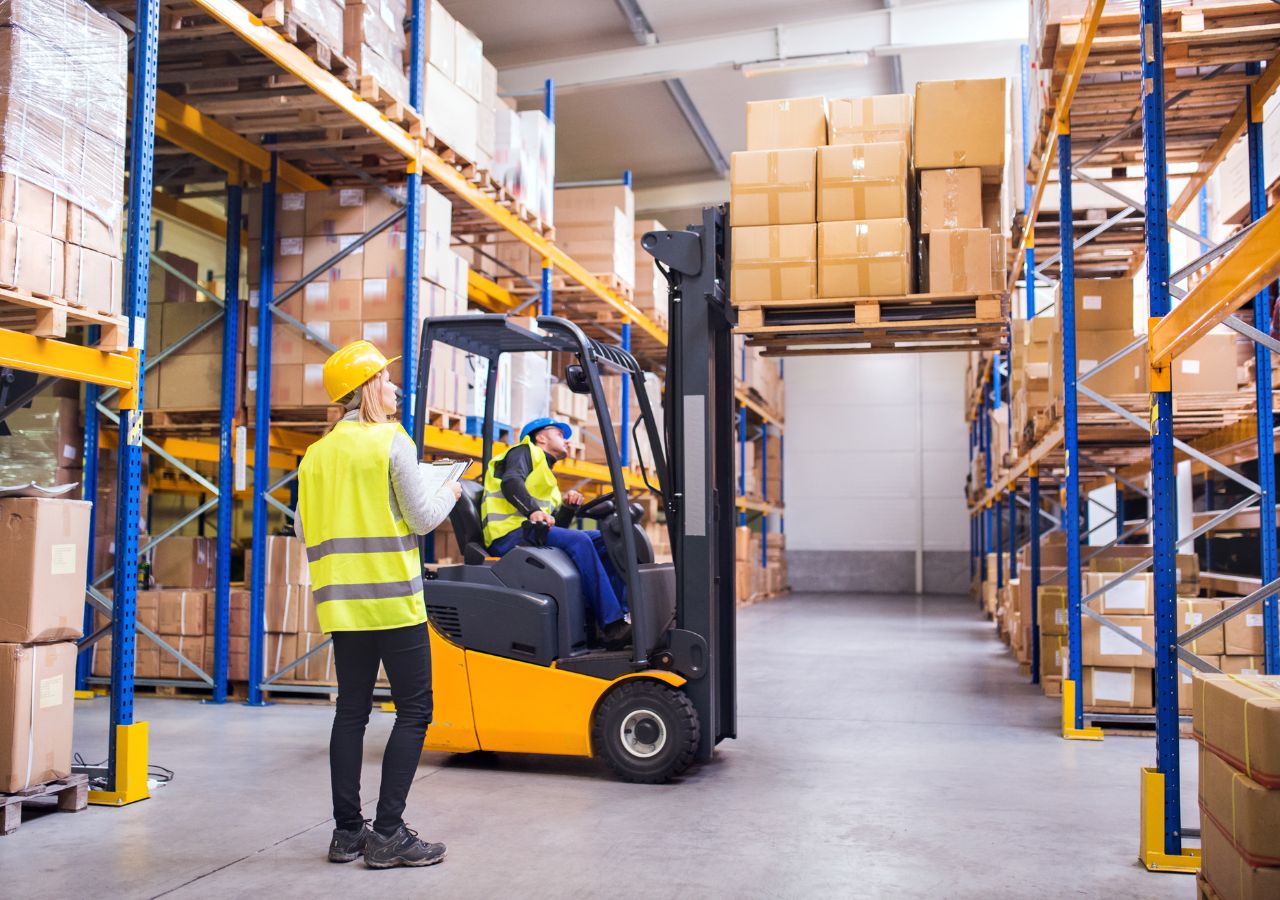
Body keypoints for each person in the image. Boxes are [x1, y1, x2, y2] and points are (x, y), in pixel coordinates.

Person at [295, 340, 461, 870]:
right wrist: (451, 494)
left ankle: (347, 834)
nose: (393, 387)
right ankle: (388, 832)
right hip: (393, 601)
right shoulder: (391, 441)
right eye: (386, 380)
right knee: (415, 711)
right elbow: (420, 517)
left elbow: (302, 527)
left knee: (351, 713)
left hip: (342, 606)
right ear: (368, 388)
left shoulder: (315, 455)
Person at [480, 417, 631, 647]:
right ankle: (612, 625)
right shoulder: (523, 451)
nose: (567, 441)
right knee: (580, 541)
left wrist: (568, 508)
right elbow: (510, 482)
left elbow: (555, 525)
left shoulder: (546, 474)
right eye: (560, 434)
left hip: (529, 532)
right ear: (540, 437)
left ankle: (623, 614)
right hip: (508, 535)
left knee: (606, 539)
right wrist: (532, 511)